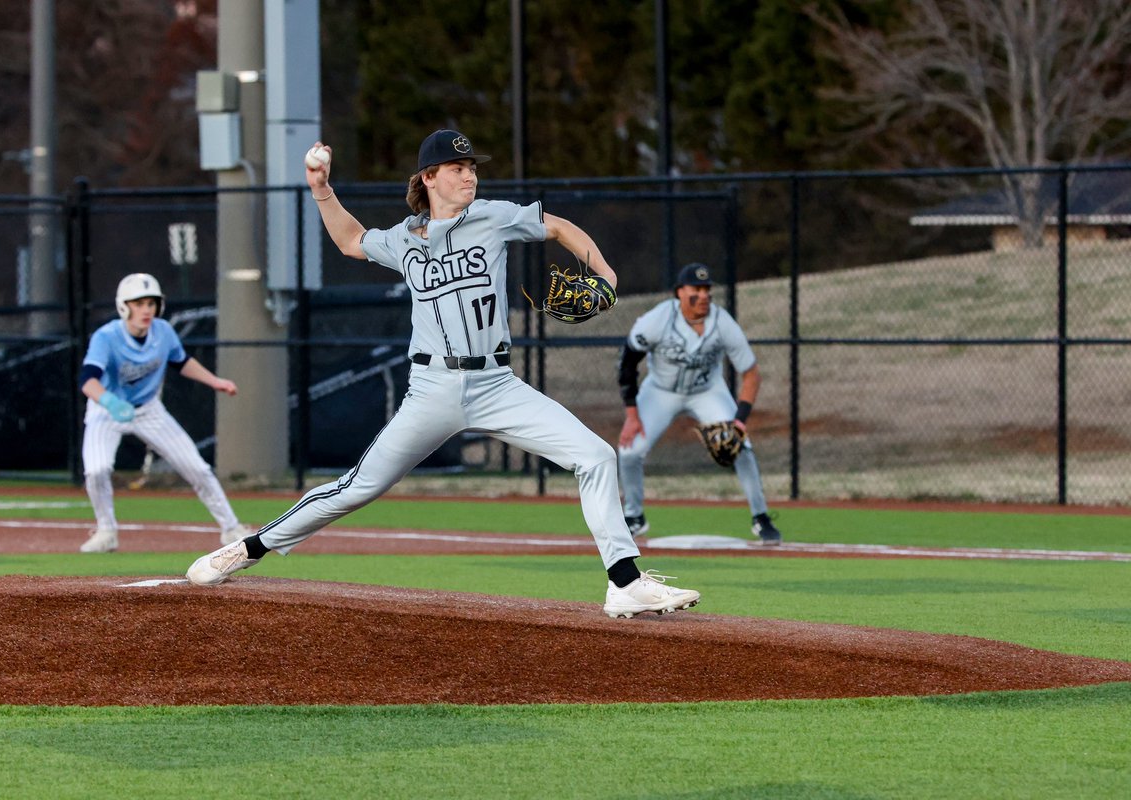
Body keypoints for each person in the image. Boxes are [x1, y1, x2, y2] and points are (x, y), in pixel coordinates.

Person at [186, 129, 701, 619]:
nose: (469, 176)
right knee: (357, 487)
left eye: (472, 167)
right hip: (431, 389)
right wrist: (321, 190)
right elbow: (351, 241)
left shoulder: (493, 217)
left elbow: (560, 227)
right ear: (429, 177)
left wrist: (605, 274)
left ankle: (625, 582)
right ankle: (249, 548)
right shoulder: (404, 239)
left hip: (497, 384)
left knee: (595, 456)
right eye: (457, 168)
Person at [77, 273, 250, 552]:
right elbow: (87, 380)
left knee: (197, 467)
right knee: (97, 470)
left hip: (148, 409)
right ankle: (107, 531)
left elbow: (181, 362)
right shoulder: (106, 337)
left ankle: (231, 529)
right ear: (124, 306)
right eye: (139, 303)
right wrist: (110, 403)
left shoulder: (163, 332)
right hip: (106, 409)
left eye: (151, 303)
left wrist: (215, 381)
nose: (146, 310)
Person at [617, 262, 782, 545]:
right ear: (680, 292)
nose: (703, 295)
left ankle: (761, 517)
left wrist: (739, 421)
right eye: (696, 289)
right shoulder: (657, 319)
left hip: (708, 391)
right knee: (629, 451)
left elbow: (752, 375)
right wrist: (632, 415)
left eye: (707, 289)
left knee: (741, 446)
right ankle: (634, 516)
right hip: (660, 391)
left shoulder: (722, 323)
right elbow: (628, 364)